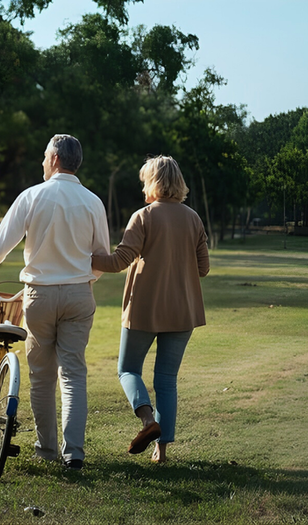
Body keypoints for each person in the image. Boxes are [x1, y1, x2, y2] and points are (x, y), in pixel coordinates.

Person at [0, 134, 110, 470]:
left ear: (54, 158)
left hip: (39, 296)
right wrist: (82, 280)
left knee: (42, 376)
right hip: (79, 294)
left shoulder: (33, 196)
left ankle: (47, 449)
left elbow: (0, 245)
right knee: (73, 374)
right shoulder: (93, 202)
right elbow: (101, 259)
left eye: (43, 156)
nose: (41, 162)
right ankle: (75, 454)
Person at [91, 155, 209, 463]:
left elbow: (118, 261)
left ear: (153, 183)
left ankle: (147, 422)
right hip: (183, 312)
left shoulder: (143, 217)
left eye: (145, 180)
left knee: (128, 369)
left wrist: (83, 256)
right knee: (166, 380)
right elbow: (204, 268)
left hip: (144, 309)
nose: (143, 186)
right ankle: (161, 452)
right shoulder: (194, 218)